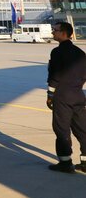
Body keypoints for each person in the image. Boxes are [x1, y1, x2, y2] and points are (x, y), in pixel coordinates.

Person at [46, 21, 86, 173]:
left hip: (62, 96)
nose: (52, 33)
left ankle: (65, 162)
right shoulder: (80, 53)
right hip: (78, 95)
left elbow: (54, 75)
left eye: (55, 30)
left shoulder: (57, 52)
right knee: (83, 130)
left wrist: (50, 95)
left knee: (62, 130)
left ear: (63, 33)